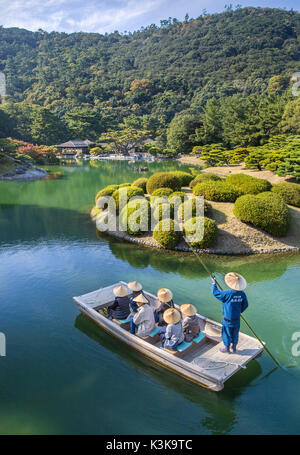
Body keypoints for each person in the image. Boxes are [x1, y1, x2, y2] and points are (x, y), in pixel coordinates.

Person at [211, 272, 248, 353]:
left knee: (226, 333)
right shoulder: (242, 294)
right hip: (237, 319)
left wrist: (214, 284)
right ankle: (234, 347)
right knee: (235, 333)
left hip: (227, 320)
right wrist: (239, 311)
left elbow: (216, 293)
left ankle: (227, 348)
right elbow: (245, 305)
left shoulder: (227, 293)